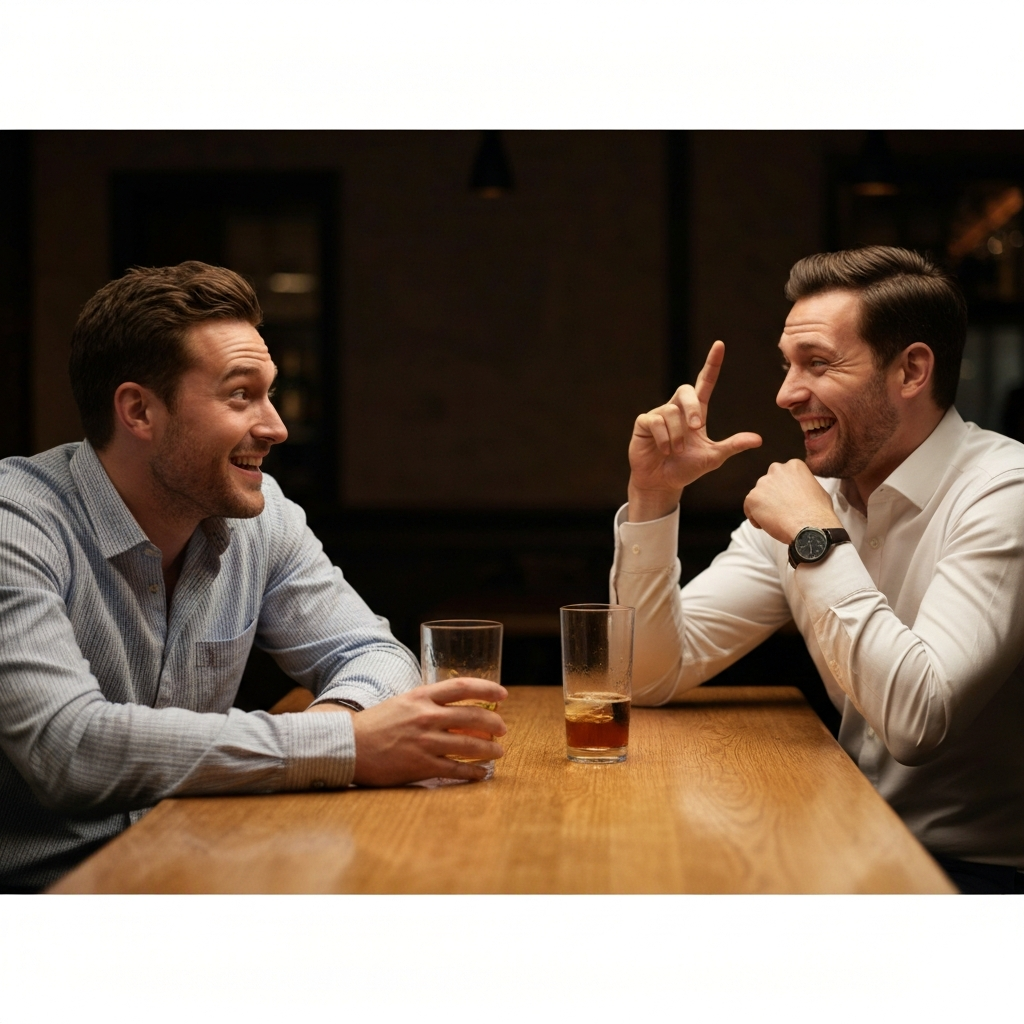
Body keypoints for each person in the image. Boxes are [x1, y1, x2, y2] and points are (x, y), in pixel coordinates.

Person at [0, 262, 506, 892]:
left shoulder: (261, 520)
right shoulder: (17, 522)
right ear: (138, 411)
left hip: (197, 870)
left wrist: (347, 721)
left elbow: (371, 651)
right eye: (241, 395)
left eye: (269, 394)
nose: (276, 426)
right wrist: (341, 743)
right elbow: (66, 746)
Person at [613, 246, 1024, 894]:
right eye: (787, 365)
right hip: (850, 838)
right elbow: (642, 676)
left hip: (978, 877)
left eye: (818, 363)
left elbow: (919, 722)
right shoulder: (813, 501)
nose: (784, 393)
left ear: (912, 370)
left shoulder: (1005, 493)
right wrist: (654, 497)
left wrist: (816, 539)